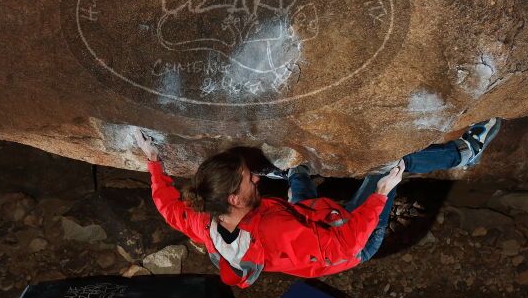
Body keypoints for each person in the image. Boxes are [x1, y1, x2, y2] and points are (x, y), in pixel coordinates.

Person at [135, 119, 501, 288]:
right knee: (386, 170)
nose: (255, 178)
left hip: (308, 228)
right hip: (350, 243)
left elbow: (167, 206)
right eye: (250, 178)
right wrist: (378, 195)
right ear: (234, 198)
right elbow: (345, 243)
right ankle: (465, 152)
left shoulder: (205, 221)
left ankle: (299, 172)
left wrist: (154, 161)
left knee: (299, 188)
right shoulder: (277, 229)